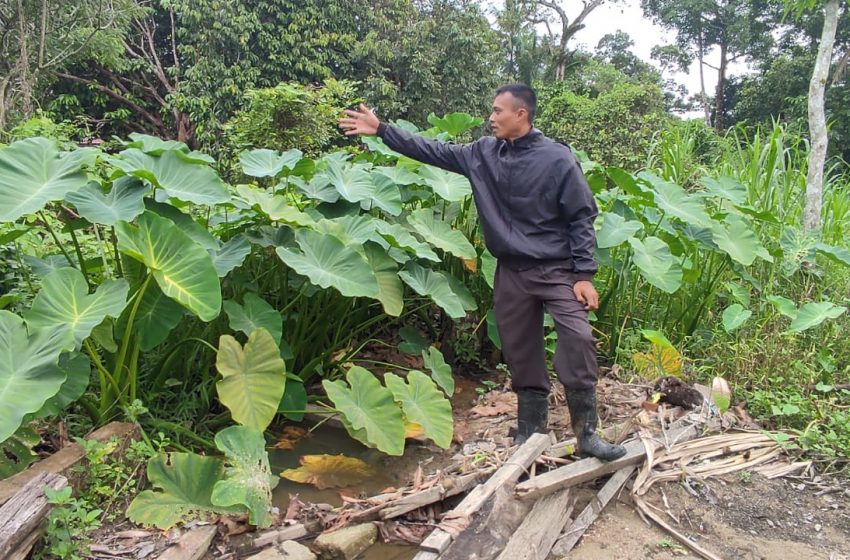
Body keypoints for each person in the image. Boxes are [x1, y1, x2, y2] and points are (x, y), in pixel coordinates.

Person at [339, 84, 626, 461]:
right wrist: (382, 130)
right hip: (511, 271)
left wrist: (584, 274)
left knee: (578, 338)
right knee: (521, 349)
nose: (491, 118)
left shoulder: (557, 159)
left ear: (521, 114)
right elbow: (433, 150)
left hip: (556, 270)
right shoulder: (482, 154)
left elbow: (581, 217)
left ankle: (587, 435)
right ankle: (530, 434)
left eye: (498, 111)